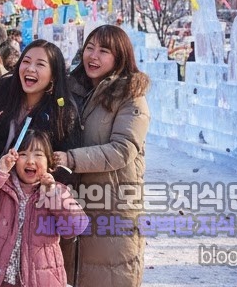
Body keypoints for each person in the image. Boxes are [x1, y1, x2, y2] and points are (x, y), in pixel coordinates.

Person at [0, 39, 81, 256]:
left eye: (40, 64)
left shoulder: (63, 112)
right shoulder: (3, 91)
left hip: (29, 210)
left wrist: (47, 182)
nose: (30, 68)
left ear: (53, 76)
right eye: (26, 61)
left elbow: (65, 168)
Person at [54, 25, 150, 287]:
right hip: (73, 201)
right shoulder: (71, 91)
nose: (93, 56)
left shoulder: (131, 96)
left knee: (110, 276)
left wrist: (70, 159)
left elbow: (123, 149)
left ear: (119, 57)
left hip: (113, 205)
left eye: (103, 51)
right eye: (90, 48)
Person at [0, 131, 88, 287]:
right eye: (23, 154)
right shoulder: (1, 185)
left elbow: (75, 227)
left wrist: (53, 193)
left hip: (40, 280)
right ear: (14, 159)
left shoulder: (57, 191)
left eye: (38, 155)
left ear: (49, 162)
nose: (30, 161)